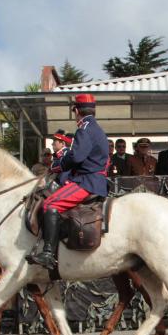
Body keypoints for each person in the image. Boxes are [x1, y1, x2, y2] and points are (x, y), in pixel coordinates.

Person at [27, 93, 110, 270]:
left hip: (87, 181)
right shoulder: (97, 128)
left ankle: (48, 253)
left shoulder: (84, 129)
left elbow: (77, 156)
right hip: (94, 179)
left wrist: (58, 166)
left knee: (50, 204)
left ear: (76, 111)